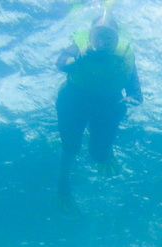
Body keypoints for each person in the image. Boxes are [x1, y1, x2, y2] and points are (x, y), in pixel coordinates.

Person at [55, 9, 143, 213]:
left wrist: (129, 100)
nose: (103, 42)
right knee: (70, 148)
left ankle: (104, 150)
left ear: (116, 40)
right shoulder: (80, 48)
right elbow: (60, 64)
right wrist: (79, 59)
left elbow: (137, 93)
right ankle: (63, 182)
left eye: (109, 38)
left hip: (106, 106)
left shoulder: (124, 58)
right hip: (74, 101)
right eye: (99, 36)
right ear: (91, 36)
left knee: (97, 154)